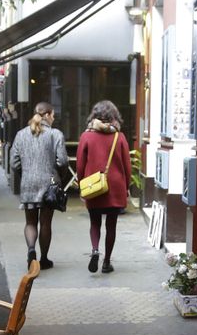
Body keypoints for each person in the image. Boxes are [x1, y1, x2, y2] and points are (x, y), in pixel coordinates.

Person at [75, 100, 133, 275]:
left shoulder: (86, 136)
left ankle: (94, 250)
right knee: (111, 225)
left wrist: (81, 183)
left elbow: (79, 164)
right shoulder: (119, 137)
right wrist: (127, 186)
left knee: (94, 221)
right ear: (114, 117)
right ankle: (107, 262)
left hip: (94, 184)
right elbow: (127, 165)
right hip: (115, 186)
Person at [9, 101, 68, 269]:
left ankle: (31, 250)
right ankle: (44, 259)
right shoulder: (55, 134)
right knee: (46, 223)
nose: (54, 119)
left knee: (30, 222)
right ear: (47, 115)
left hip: (28, 183)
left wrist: (25, 173)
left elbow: (14, 163)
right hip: (49, 184)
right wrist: (59, 176)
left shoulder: (21, 135)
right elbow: (63, 160)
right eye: (53, 116)